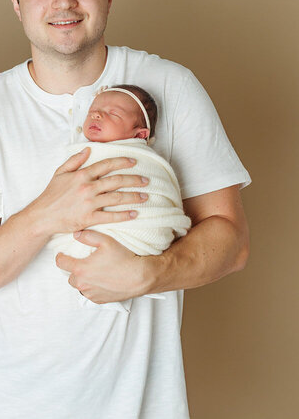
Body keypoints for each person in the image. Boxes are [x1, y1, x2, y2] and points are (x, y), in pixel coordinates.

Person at [0, 0, 250, 418]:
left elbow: (231, 242)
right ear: (17, 3)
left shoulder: (170, 86)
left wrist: (148, 273)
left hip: (141, 404)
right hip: (7, 401)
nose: (63, 2)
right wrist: (47, 213)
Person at [47, 84, 191, 313]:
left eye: (113, 113)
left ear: (140, 135)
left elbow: (157, 189)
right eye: (94, 109)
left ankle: (110, 269)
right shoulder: (81, 155)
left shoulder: (144, 160)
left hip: (138, 235)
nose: (96, 114)